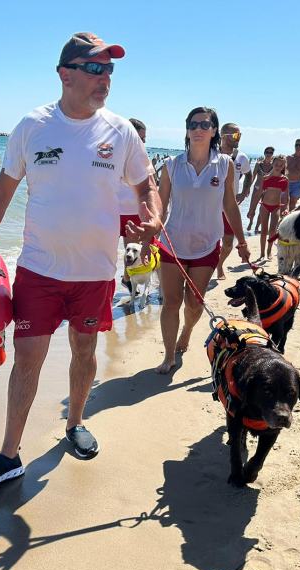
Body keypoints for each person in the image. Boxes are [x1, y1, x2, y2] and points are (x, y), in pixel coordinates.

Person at [0, 32, 161, 486]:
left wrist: (152, 219)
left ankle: (74, 423)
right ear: (65, 73)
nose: (105, 79)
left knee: (85, 350)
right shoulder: (33, 126)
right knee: (28, 358)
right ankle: (9, 454)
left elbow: (146, 184)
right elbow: (3, 190)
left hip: (94, 273)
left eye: (110, 70)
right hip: (39, 269)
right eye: (95, 68)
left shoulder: (121, 131)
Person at [154, 107, 250, 373]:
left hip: (206, 246)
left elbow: (230, 206)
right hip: (172, 244)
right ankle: (169, 354)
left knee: (194, 304)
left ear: (214, 130)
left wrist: (241, 241)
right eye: (193, 124)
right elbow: (160, 206)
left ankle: (187, 330)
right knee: (170, 302)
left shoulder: (225, 164)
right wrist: (148, 238)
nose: (198, 129)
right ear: (187, 130)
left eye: (205, 124)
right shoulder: (172, 165)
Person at [215, 123, 252, 280]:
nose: (239, 138)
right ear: (223, 137)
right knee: (208, 241)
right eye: (236, 135)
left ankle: (219, 264)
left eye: (240, 135)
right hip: (211, 205)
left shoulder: (241, 157)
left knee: (228, 243)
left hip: (230, 205)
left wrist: (244, 192)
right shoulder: (211, 154)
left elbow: (248, 174)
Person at [119, 118, 148, 293]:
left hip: (134, 211)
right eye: (140, 138)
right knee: (103, 254)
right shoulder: (111, 153)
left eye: (144, 139)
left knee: (131, 251)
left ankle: (126, 278)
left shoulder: (141, 157)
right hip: (112, 211)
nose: (143, 142)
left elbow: (149, 187)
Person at [257, 154, 289, 261]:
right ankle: (262, 253)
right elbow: (259, 193)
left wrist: (286, 208)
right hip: (264, 206)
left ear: (284, 166)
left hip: (276, 206)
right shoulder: (265, 178)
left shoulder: (284, 179)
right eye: (276, 164)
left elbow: (285, 196)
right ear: (272, 163)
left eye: (281, 165)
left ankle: (269, 251)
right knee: (264, 231)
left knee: (273, 231)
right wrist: (252, 209)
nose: (278, 166)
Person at [247, 147, 275, 232]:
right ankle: (251, 222)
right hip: (257, 188)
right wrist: (248, 188)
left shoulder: (273, 166)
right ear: (264, 153)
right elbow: (253, 176)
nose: (268, 154)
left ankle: (256, 227)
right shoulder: (258, 164)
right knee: (252, 207)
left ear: (272, 154)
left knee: (263, 209)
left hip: (267, 190)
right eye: (267, 152)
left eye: (270, 152)